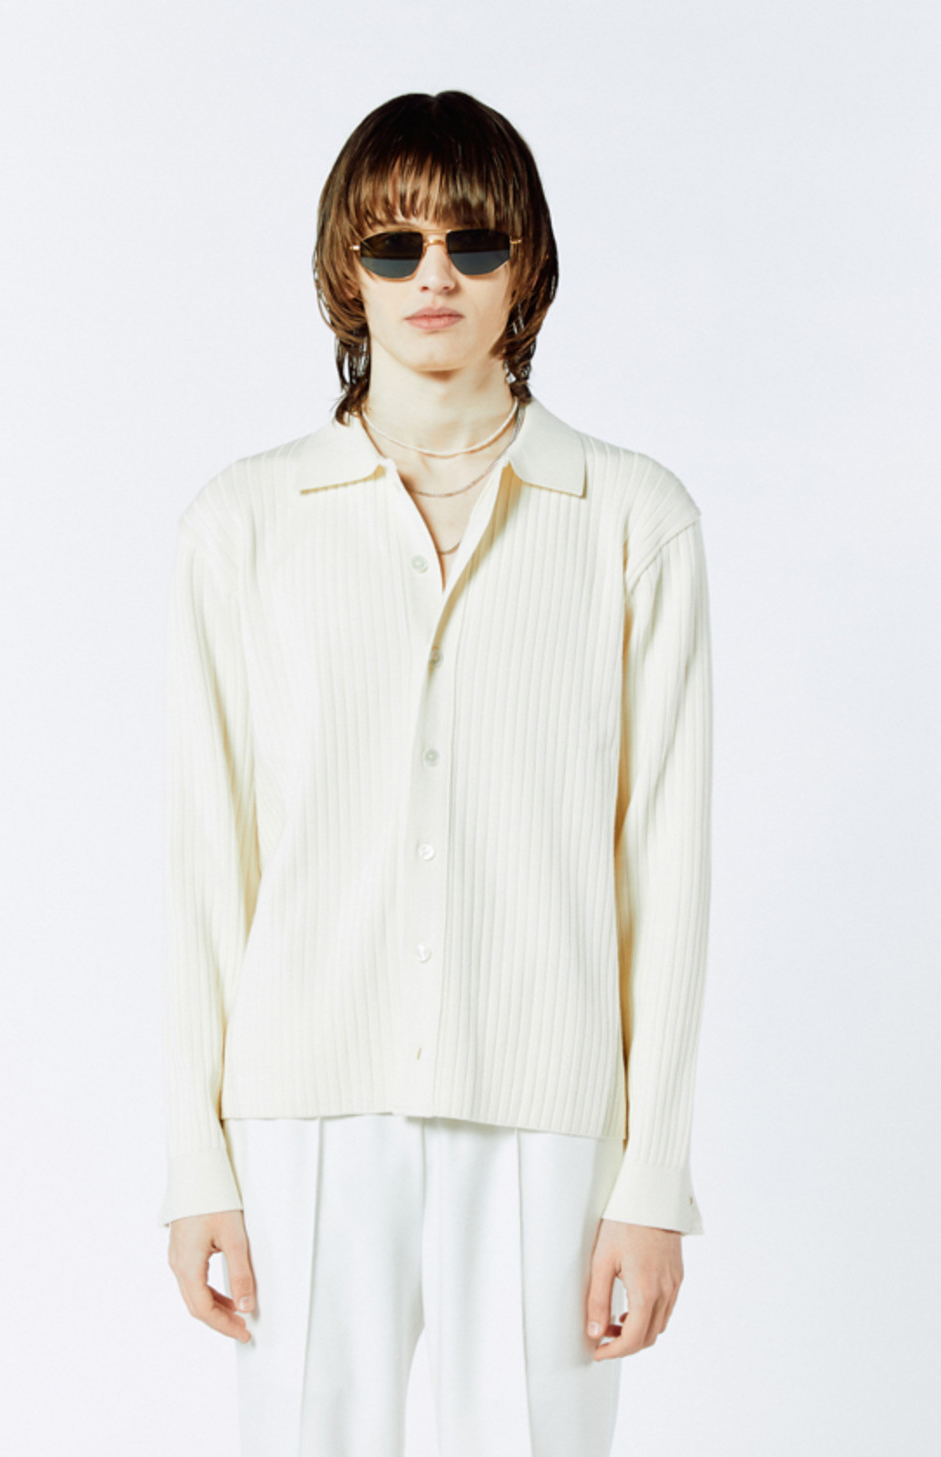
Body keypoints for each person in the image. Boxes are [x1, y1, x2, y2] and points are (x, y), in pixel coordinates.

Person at [158, 89, 713, 1457]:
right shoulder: (244, 525)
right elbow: (205, 863)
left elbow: (667, 868)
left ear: (527, 265)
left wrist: (653, 1177)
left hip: (548, 1108)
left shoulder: (632, 519)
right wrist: (194, 1158)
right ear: (345, 269)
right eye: (395, 245)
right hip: (302, 1105)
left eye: (473, 243)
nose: (436, 277)